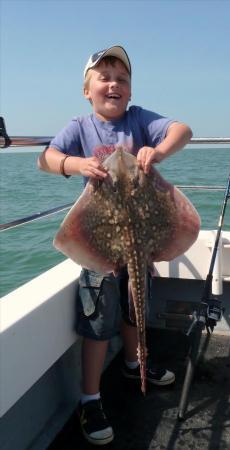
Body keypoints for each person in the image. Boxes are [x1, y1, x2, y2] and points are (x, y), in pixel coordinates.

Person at [37, 45, 193, 446]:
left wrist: (157, 151)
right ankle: (90, 398)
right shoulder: (80, 126)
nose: (113, 85)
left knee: (134, 308)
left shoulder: (140, 120)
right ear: (87, 90)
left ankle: (135, 363)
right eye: (104, 78)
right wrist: (75, 164)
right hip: (102, 250)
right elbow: (47, 158)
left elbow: (182, 131)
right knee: (98, 325)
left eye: (122, 79)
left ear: (130, 90)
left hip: (141, 241)